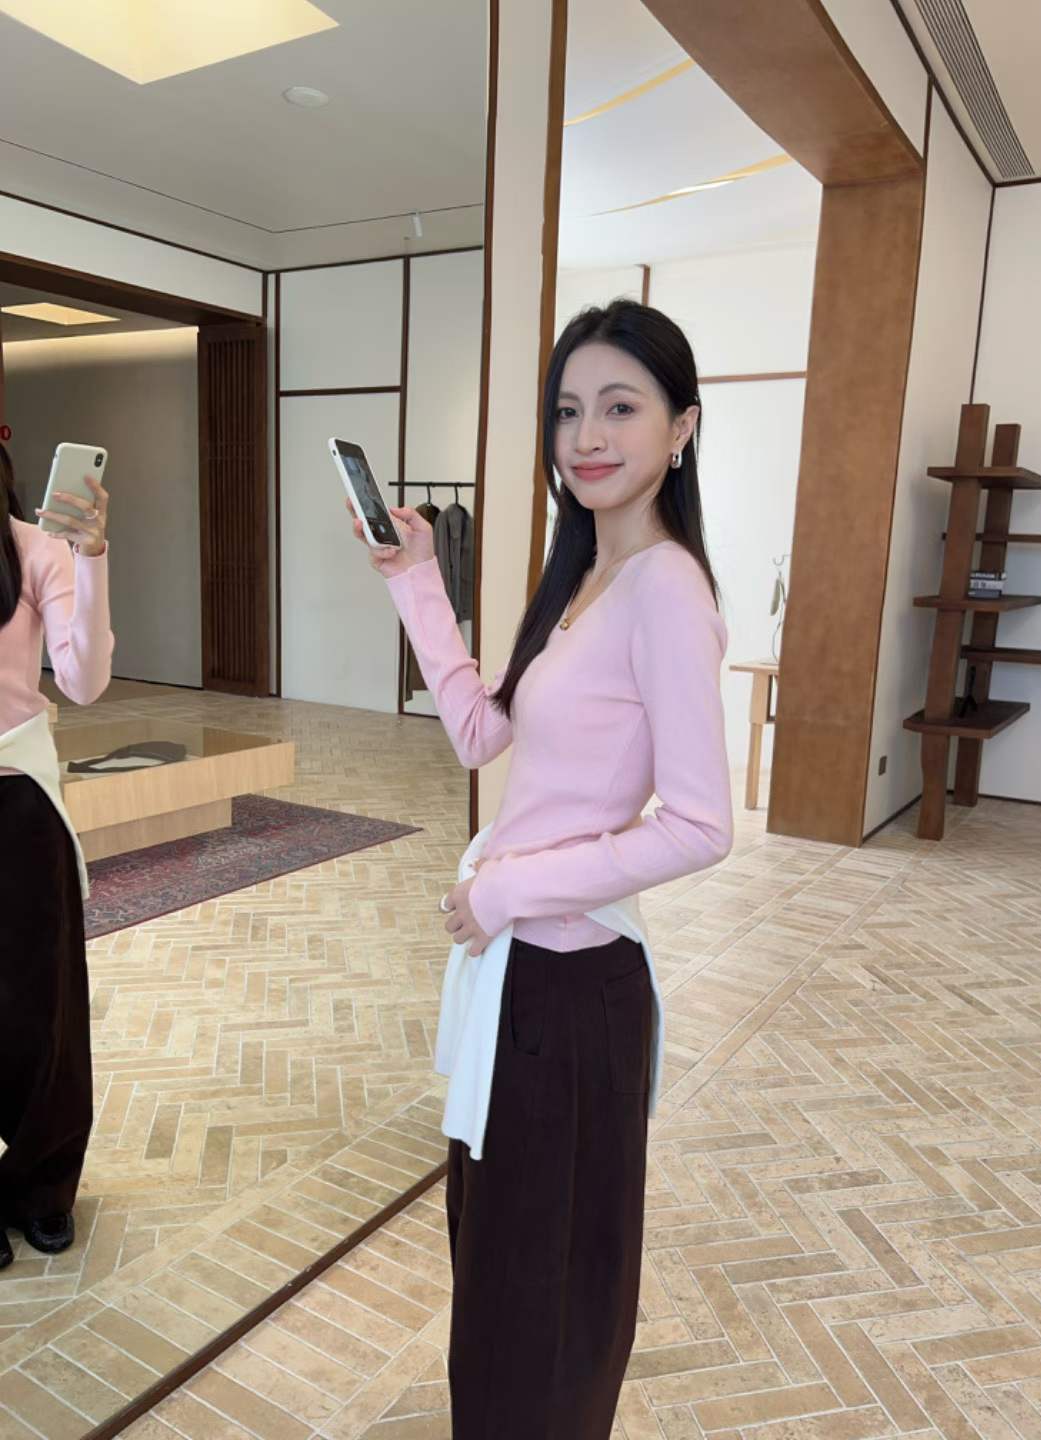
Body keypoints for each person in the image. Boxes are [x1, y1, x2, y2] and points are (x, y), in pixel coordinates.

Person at [348, 300, 733, 1437]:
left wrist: (504, 890)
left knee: (545, 1300)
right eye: (568, 411)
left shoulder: (667, 589)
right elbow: (481, 732)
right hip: (520, 981)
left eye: (620, 407)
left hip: (572, 990)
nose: (587, 436)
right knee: (502, 1277)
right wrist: (416, 579)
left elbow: (701, 825)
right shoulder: (582, 577)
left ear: (681, 427)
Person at [0, 443, 113, 1269]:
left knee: (44, 1011)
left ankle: (42, 1185)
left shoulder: (35, 550)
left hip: (19, 802)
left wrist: (91, 556)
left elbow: (84, 680)